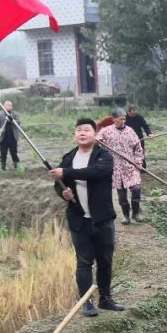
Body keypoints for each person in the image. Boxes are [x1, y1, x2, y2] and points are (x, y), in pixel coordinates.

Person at [48, 118, 125, 317]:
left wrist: (66, 172)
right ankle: (86, 302)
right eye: (79, 130)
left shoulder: (104, 156)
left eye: (86, 130)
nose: (82, 133)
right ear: (75, 135)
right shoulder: (68, 157)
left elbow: (96, 172)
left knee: (105, 260)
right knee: (83, 262)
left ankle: (106, 299)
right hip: (78, 219)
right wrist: (62, 192)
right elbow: (59, 182)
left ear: (95, 133)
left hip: (103, 218)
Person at [97, 108, 145, 225]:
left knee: (136, 189)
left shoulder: (130, 131)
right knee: (122, 196)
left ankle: (136, 213)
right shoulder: (106, 131)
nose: (123, 121)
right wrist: (97, 141)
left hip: (130, 165)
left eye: (124, 119)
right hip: (115, 168)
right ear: (114, 119)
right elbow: (97, 141)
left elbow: (138, 149)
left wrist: (138, 162)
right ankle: (126, 216)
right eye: (120, 119)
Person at [0, 100, 21, 173]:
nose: (9, 107)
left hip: (13, 137)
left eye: (10, 105)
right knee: (3, 154)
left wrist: (11, 120)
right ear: (4, 106)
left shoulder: (15, 114)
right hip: (3, 138)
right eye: (7, 105)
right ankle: (3, 168)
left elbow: (18, 122)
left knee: (14, 153)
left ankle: (17, 168)